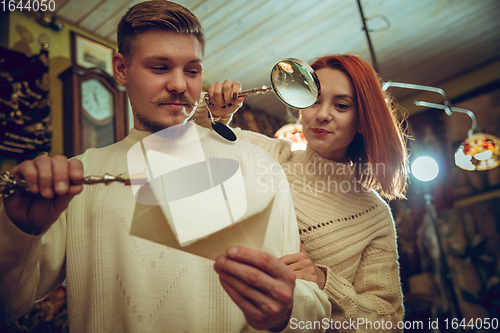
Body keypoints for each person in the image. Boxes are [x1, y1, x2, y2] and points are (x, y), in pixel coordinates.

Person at [0, 1, 332, 332]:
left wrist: (287, 311)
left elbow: (309, 305)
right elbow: (8, 306)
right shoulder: (80, 176)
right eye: (159, 68)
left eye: (192, 70)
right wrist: (19, 230)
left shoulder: (256, 164)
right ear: (121, 68)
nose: (179, 85)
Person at [194, 54, 408, 332]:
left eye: (341, 105)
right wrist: (212, 112)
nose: (322, 114)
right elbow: (180, 144)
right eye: (315, 100)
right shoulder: (268, 154)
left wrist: (324, 283)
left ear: (363, 120)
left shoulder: (374, 215)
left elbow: (388, 322)